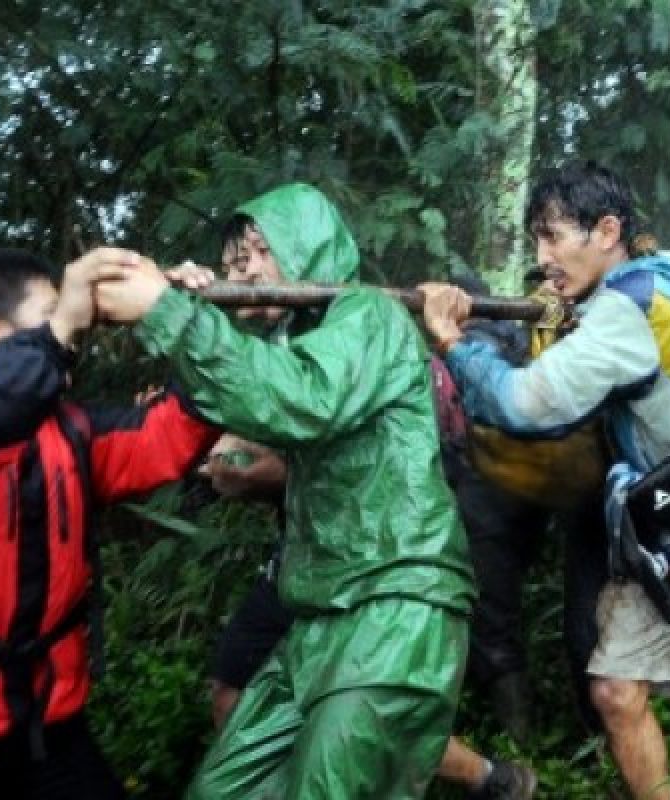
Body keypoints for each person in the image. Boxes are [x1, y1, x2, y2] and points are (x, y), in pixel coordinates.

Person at [420, 161, 670, 798]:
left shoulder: (633, 308)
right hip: (659, 528)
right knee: (616, 692)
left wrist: (455, 342)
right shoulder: (640, 290)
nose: (542, 257)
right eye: (536, 240)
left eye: (552, 238)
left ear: (606, 231)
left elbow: (524, 406)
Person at [94, 183, 475, 799]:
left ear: (306, 246)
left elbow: (296, 399)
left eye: (256, 254)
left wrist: (169, 312)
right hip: (320, 615)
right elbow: (251, 407)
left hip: (394, 604)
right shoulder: (292, 342)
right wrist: (199, 308)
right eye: (232, 263)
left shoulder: (367, 317)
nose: (241, 271)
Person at [0, 247, 218, 799]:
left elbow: (169, 437)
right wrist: (62, 325)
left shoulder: (72, 433)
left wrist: (190, 321)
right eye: (47, 318)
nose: (72, 336)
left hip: (50, 727)